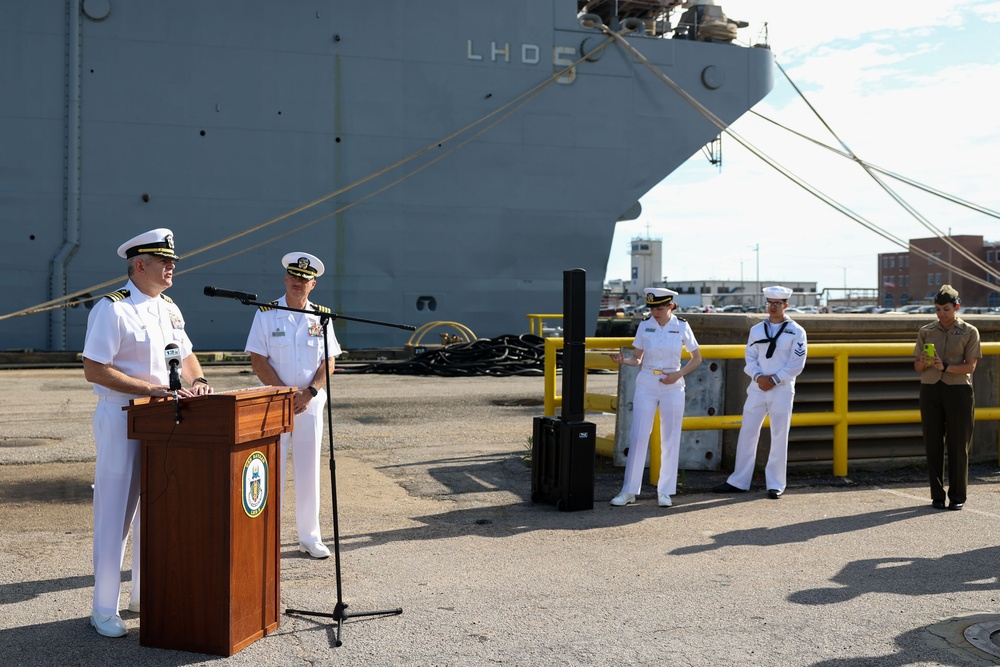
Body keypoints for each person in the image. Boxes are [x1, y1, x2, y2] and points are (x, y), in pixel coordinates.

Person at [82, 228, 213, 638]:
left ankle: (144, 593)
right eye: (164, 262)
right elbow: (95, 369)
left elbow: (186, 354)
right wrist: (149, 389)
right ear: (140, 265)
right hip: (123, 417)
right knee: (116, 512)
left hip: (165, 422)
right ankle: (103, 607)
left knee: (158, 507)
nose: (172, 267)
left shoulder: (169, 307)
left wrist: (201, 379)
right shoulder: (113, 309)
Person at [245, 252, 341, 558]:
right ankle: (267, 537)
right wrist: (284, 393)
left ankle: (310, 537)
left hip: (310, 404)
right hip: (275, 403)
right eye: (294, 278)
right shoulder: (266, 313)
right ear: (286, 279)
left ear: (313, 284)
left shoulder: (321, 318)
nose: (298, 283)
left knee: (309, 468)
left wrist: (310, 392)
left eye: (305, 279)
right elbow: (257, 360)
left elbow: (330, 360)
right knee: (269, 470)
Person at [608, 288, 702, 508]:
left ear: (670, 306)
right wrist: (623, 360)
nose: (654, 312)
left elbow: (696, 358)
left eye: (659, 307)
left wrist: (678, 375)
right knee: (639, 435)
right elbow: (637, 358)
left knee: (670, 438)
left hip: (673, 383)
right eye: (651, 308)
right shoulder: (644, 325)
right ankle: (629, 491)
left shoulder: (682, 326)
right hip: (648, 382)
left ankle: (666, 491)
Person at [713, 286, 807, 499]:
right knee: (748, 431)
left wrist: (773, 379)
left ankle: (775, 484)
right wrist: (758, 377)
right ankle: (739, 481)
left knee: (779, 434)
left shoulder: (797, 331)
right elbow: (750, 358)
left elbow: (797, 363)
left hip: (781, 389)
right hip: (757, 388)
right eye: (770, 303)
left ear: (786, 305)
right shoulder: (756, 330)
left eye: (778, 304)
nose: (773, 307)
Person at [913, 285, 981, 511]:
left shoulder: (969, 331)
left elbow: (970, 366)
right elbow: (917, 367)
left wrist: (945, 367)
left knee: (958, 444)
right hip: (930, 390)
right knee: (932, 443)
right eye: (938, 309)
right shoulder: (926, 331)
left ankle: (958, 495)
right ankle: (937, 496)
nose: (942, 313)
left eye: (946, 309)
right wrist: (923, 361)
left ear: (956, 307)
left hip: (958, 390)